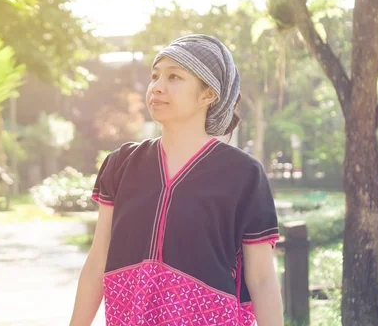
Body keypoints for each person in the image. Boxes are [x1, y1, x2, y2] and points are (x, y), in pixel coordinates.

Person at [69, 34, 284, 326]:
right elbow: (97, 260)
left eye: (174, 77)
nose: (157, 87)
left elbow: (261, 278)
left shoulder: (244, 174)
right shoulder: (121, 164)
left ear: (208, 94)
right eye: (155, 76)